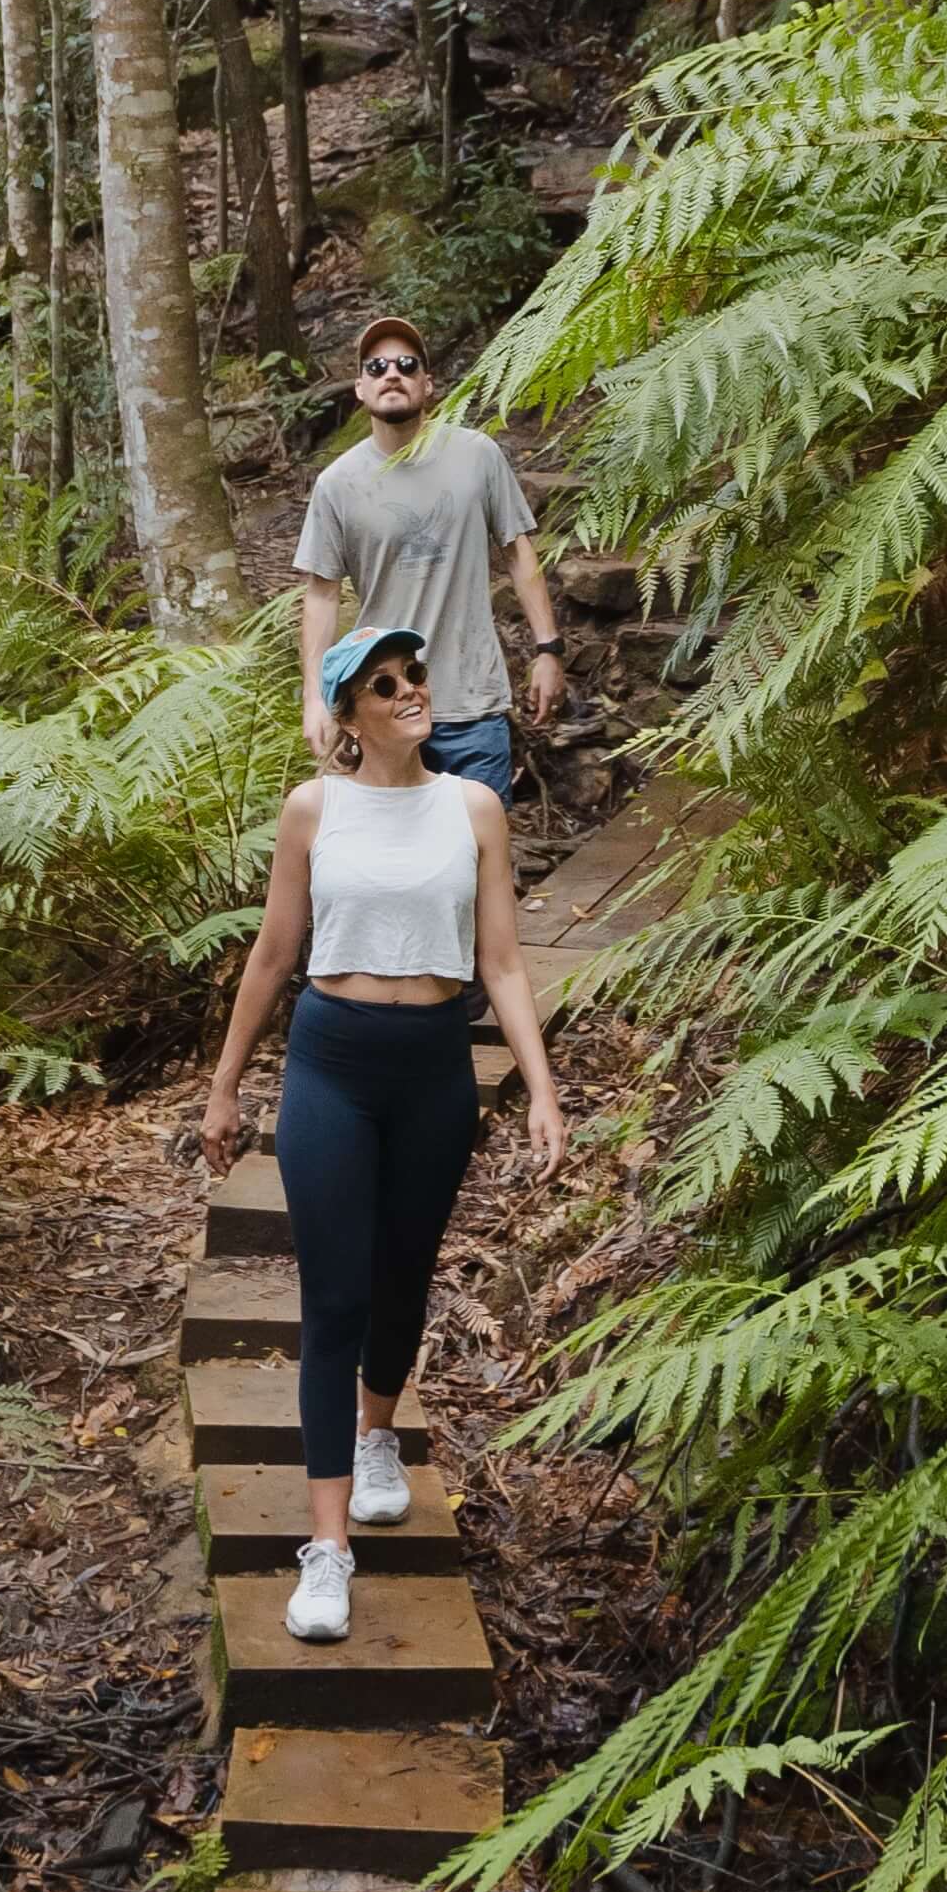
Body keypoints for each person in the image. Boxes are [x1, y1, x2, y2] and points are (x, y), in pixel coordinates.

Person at [200, 617, 567, 1642]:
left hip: (432, 1072)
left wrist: (540, 1088)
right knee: (337, 1297)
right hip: (331, 1062)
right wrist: (224, 1089)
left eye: (415, 670)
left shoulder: (475, 807)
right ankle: (326, 1550)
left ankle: (376, 1434)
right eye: (384, 681)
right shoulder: (313, 809)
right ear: (350, 715)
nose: (411, 687)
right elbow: (272, 956)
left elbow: (499, 962)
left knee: (405, 1276)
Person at [291, 312, 566, 802]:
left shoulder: (477, 456)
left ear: (428, 383)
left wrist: (549, 650)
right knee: (398, 867)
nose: (391, 374)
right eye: (376, 367)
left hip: (473, 703)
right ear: (359, 388)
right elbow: (322, 595)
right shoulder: (337, 483)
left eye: (406, 364)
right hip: (383, 708)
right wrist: (315, 698)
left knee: (482, 859)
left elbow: (519, 552)